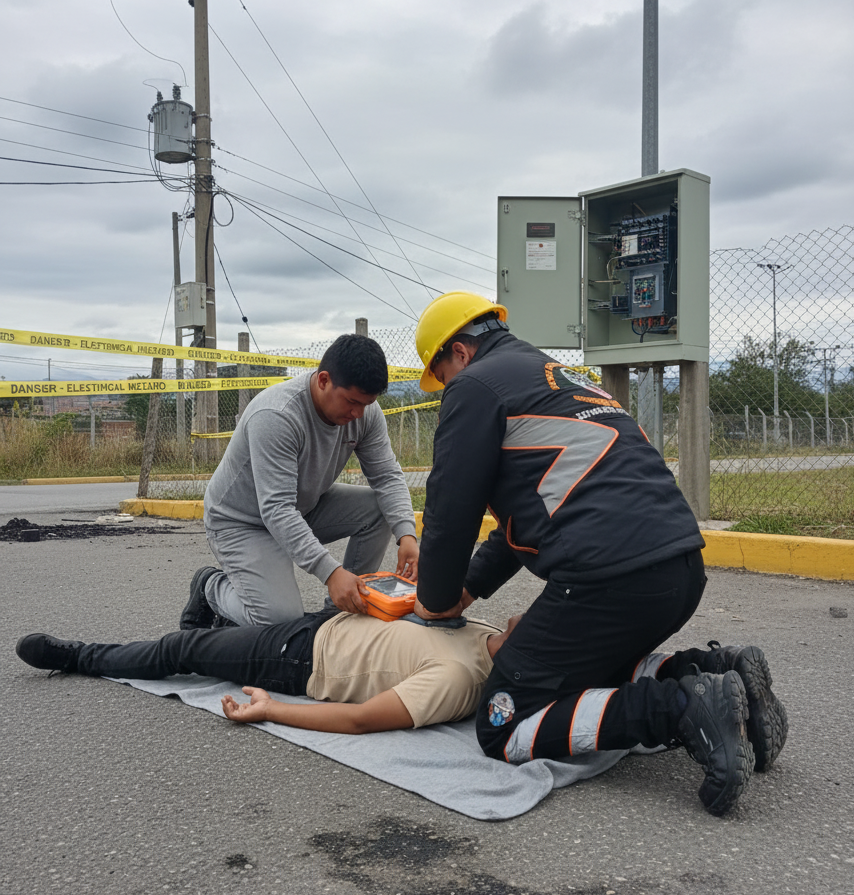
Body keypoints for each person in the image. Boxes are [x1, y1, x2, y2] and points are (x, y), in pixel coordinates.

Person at [411, 291, 788, 816]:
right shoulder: (556, 377)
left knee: (504, 723)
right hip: (678, 571)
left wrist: (432, 600)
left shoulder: (473, 388)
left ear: (460, 353)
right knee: (582, 668)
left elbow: (451, 510)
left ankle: (682, 706)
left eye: (441, 375)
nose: (445, 388)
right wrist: (466, 591)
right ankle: (720, 673)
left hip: (611, 583)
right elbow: (522, 523)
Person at [189, 333, 419, 629]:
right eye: (351, 402)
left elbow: (387, 476)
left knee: (379, 510)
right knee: (278, 621)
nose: (357, 414)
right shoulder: (277, 415)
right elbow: (277, 509)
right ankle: (210, 586)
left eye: (367, 403)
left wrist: (407, 536)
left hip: (303, 506)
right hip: (243, 522)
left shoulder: (364, 413)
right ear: (323, 380)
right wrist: (331, 573)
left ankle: (337, 615)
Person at [15, 612, 512, 734]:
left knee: (181, 649)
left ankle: (80, 657)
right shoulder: (482, 627)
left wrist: (274, 710)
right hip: (326, 621)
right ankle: (212, 595)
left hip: (298, 659)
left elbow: (362, 718)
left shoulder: (460, 678)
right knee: (217, 640)